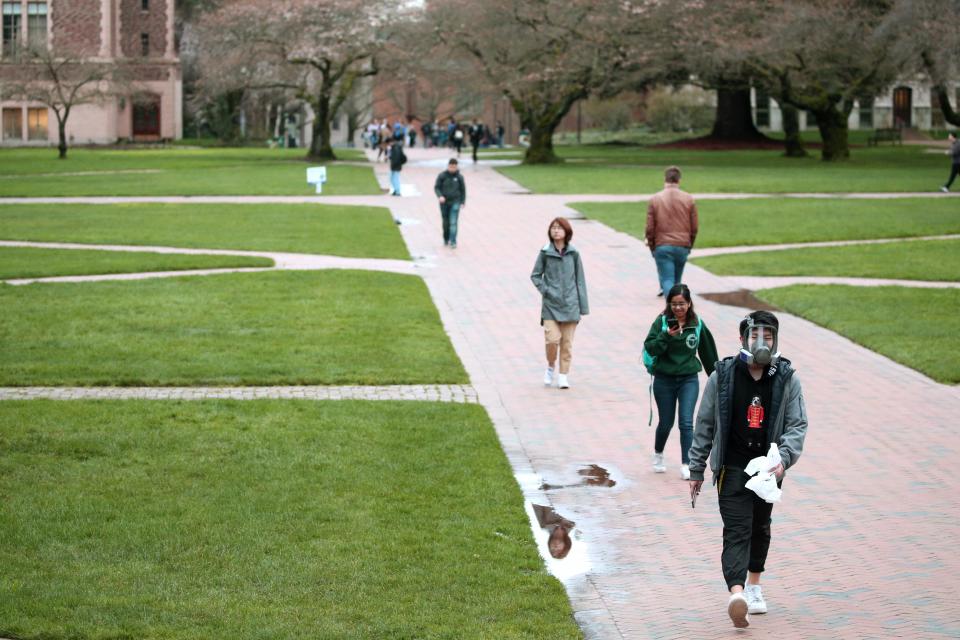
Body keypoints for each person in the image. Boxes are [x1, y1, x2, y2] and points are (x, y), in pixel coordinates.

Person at [687, 310, 809, 629]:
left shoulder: (786, 377)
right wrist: (697, 469)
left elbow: (797, 425)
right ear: (743, 339)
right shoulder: (723, 376)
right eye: (756, 336)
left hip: (768, 470)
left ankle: (754, 586)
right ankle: (737, 594)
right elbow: (705, 424)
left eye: (768, 337)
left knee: (760, 527)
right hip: (732, 467)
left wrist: (783, 459)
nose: (761, 343)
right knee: (737, 528)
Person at [643, 283, 719, 479]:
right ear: (669, 304)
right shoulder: (661, 322)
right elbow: (651, 348)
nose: (678, 308)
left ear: (689, 303)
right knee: (666, 422)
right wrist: (666, 336)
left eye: (682, 303)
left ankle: (687, 463)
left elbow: (708, 352)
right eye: (674, 304)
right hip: (664, 379)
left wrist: (718, 377)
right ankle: (658, 454)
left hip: (688, 379)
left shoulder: (697, 323)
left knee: (686, 422)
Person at [530, 217, 589, 390]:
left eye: (559, 228)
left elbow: (580, 280)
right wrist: (546, 290)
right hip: (550, 305)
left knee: (567, 343)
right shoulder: (545, 252)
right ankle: (550, 366)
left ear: (566, 232)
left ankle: (563, 375)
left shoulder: (574, 253)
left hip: (571, 305)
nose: (556, 230)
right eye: (553, 228)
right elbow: (535, 275)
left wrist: (583, 307)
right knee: (552, 340)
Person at [646, 166, 698, 298]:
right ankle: (679, 306)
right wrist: (689, 243)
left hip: (662, 245)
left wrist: (652, 245)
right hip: (682, 245)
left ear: (665, 179)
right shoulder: (689, 199)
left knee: (667, 280)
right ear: (679, 180)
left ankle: (672, 308)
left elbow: (650, 228)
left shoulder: (655, 199)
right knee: (677, 281)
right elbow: (694, 227)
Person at [434, 158, 466, 248]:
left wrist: (463, 201)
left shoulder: (459, 177)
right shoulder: (442, 176)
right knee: (445, 222)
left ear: (456, 167)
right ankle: (446, 238)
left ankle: (453, 241)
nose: (452, 169)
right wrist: (440, 196)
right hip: (444, 202)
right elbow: (437, 187)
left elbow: (463, 190)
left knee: (453, 222)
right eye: (451, 167)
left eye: (454, 167)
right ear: (448, 166)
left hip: (455, 202)